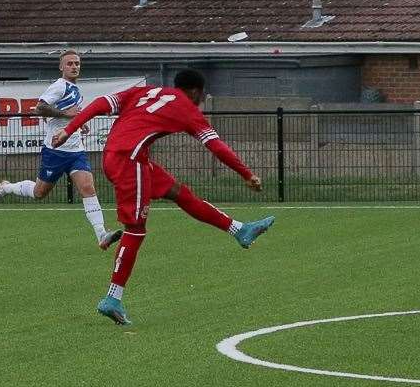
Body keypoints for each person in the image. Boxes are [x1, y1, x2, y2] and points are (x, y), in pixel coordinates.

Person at [51, 69, 275, 326]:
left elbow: (102, 103)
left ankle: (239, 230)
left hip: (120, 154)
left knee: (179, 192)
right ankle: (112, 298)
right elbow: (216, 145)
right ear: (195, 91)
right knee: (135, 229)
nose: (201, 100)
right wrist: (246, 174)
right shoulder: (187, 108)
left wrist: (69, 130)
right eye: (201, 95)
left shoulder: (145, 92)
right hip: (129, 160)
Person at [0, 50, 121, 250]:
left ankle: (102, 234)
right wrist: (66, 114)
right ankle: (7, 186)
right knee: (39, 193)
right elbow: (40, 108)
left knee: (87, 187)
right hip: (55, 150)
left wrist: (79, 123)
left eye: (77, 63)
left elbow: (71, 114)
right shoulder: (59, 86)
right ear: (61, 67)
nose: (74, 66)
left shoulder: (75, 88)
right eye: (70, 63)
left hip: (76, 150)